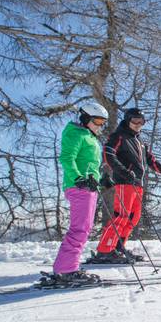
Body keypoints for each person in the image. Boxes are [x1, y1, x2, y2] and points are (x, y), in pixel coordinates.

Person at [88, 107, 161, 264]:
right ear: (128, 120)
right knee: (121, 216)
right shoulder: (119, 135)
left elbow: (151, 161)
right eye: (135, 121)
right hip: (125, 182)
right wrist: (122, 171)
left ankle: (118, 247)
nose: (138, 124)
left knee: (133, 219)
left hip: (138, 184)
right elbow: (108, 154)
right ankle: (105, 250)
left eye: (141, 122)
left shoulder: (140, 141)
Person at [48, 101, 109, 284]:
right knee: (80, 228)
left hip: (88, 187)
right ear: (85, 117)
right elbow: (67, 158)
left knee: (85, 228)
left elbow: (89, 164)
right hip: (79, 187)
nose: (101, 125)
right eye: (97, 121)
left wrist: (100, 180)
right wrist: (78, 178)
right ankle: (66, 270)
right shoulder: (75, 133)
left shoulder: (88, 136)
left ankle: (67, 267)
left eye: (103, 122)